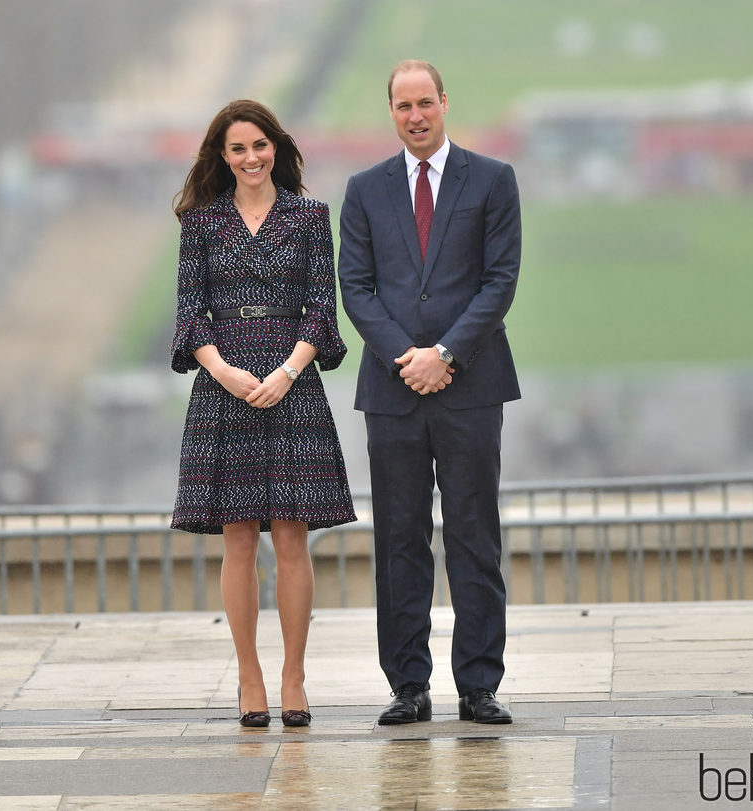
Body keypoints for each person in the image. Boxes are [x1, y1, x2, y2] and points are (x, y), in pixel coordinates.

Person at [338, 60, 521, 725]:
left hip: (470, 387)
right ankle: (407, 685)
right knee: (400, 538)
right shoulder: (364, 190)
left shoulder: (493, 181)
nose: (414, 115)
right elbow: (355, 287)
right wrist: (404, 357)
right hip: (393, 394)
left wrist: (444, 353)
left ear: (445, 102)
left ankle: (478, 685)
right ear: (390, 112)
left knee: (475, 535)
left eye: (424, 102)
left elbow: (499, 283)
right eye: (401, 105)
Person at [170, 99, 356, 728]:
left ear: (277, 147)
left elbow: (319, 308)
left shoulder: (309, 216)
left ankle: (293, 677)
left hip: (292, 383)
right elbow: (190, 313)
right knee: (239, 538)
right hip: (222, 387)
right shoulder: (200, 223)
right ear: (221, 158)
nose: (251, 158)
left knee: (291, 536)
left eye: (259, 146)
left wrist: (285, 372)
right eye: (238, 149)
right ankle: (249, 677)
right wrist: (223, 371)